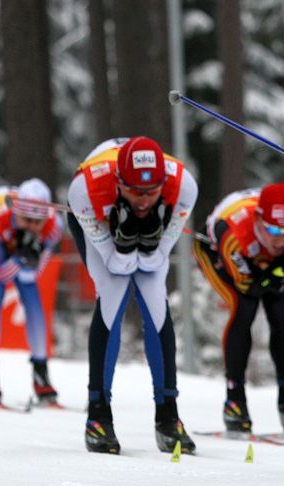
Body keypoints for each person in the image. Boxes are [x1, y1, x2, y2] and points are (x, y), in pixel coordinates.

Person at [67, 136, 198, 456]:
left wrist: (150, 246)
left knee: (155, 299)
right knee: (113, 292)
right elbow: (114, 261)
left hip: (144, 229)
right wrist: (125, 246)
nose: (143, 200)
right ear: (118, 181)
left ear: (163, 183)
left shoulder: (184, 186)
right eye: (135, 191)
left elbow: (158, 256)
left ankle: (168, 415)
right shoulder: (85, 188)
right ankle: (98, 414)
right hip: (97, 222)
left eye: (151, 192)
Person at [193, 183, 284, 435]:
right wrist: (274, 272)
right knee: (245, 306)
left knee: (279, 311)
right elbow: (247, 284)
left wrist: (280, 271)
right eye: (274, 230)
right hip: (218, 249)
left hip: (260, 257)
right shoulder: (234, 231)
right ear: (259, 221)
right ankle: (235, 401)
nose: (282, 239)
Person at [0, 178, 64, 406]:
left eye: (37, 222)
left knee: (31, 294)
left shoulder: (54, 226)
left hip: (10, 240)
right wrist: (19, 259)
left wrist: (29, 257)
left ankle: (41, 373)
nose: (31, 226)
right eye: (26, 220)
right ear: (16, 212)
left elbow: (32, 274)